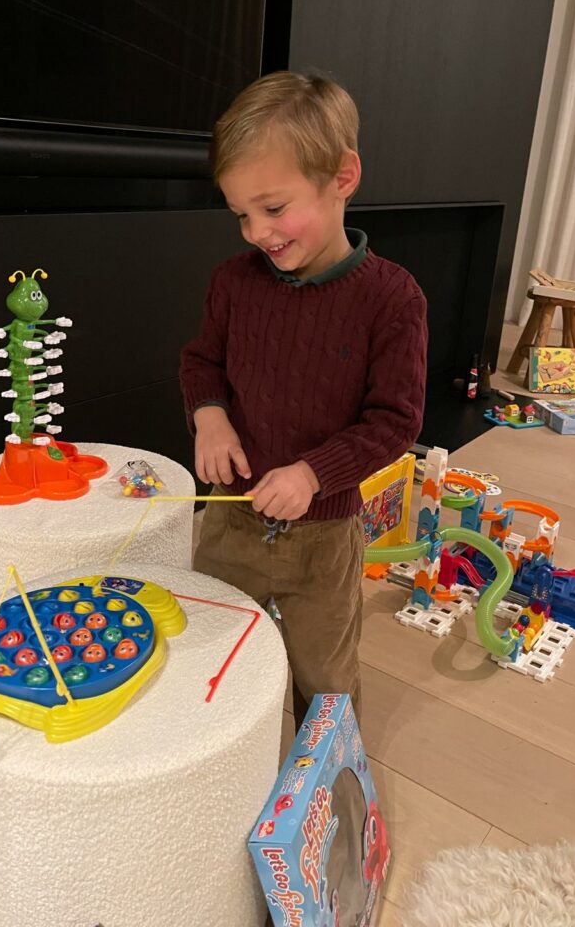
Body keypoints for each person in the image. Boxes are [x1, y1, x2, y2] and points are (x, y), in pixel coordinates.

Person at [180, 70, 427, 726]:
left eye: (273, 208)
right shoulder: (233, 282)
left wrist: (314, 473)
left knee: (325, 679)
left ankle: (329, 781)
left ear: (343, 177)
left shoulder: (393, 299)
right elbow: (201, 361)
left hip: (325, 539)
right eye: (241, 214)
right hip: (230, 522)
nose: (256, 232)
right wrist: (210, 419)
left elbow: (394, 422)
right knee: (216, 657)